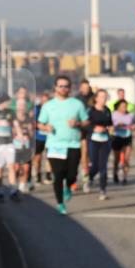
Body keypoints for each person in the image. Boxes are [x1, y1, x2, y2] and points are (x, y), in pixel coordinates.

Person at [37, 75, 88, 215]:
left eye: (66, 86)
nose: (63, 88)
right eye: (61, 86)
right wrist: (46, 127)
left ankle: (68, 186)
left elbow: (86, 121)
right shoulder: (48, 105)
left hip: (73, 144)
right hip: (55, 145)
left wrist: (77, 123)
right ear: (55, 87)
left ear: (70, 88)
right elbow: (40, 123)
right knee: (58, 175)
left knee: (72, 175)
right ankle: (60, 203)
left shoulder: (77, 104)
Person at [87, 89, 113, 200]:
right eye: (102, 97)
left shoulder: (107, 110)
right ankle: (89, 178)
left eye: (105, 97)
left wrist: (110, 129)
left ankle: (103, 190)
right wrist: (94, 128)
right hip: (93, 140)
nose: (104, 99)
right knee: (95, 165)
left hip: (105, 141)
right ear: (96, 98)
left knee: (103, 166)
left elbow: (110, 124)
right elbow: (86, 125)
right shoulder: (90, 111)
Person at [75, 78, 96, 190]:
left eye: (87, 87)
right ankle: (81, 178)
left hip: (91, 130)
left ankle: (86, 178)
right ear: (80, 88)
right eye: (84, 87)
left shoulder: (94, 97)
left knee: (88, 156)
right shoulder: (76, 99)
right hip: (79, 130)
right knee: (80, 155)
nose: (86, 89)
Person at [111, 100, 135, 184]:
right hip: (117, 137)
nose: (124, 108)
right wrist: (117, 125)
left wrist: (133, 127)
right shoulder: (113, 115)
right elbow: (110, 126)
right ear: (118, 107)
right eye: (122, 106)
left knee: (126, 158)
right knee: (117, 158)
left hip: (127, 137)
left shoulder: (131, 115)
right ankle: (115, 173)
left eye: (125, 106)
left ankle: (125, 177)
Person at [13, 104, 34, 192]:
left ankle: (22, 187)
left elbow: (32, 134)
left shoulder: (29, 120)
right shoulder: (13, 120)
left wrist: (30, 131)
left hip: (26, 146)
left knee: (26, 168)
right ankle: (14, 184)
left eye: (23, 107)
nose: (21, 109)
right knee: (16, 167)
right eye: (20, 107)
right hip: (16, 146)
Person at [32, 92, 51, 185]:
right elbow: (32, 122)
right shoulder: (37, 109)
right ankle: (38, 176)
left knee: (49, 157)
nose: (45, 103)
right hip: (38, 137)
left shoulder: (52, 109)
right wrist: (41, 126)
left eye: (47, 101)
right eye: (44, 101)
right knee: (37, 158)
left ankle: (48, 176)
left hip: (50, 137)